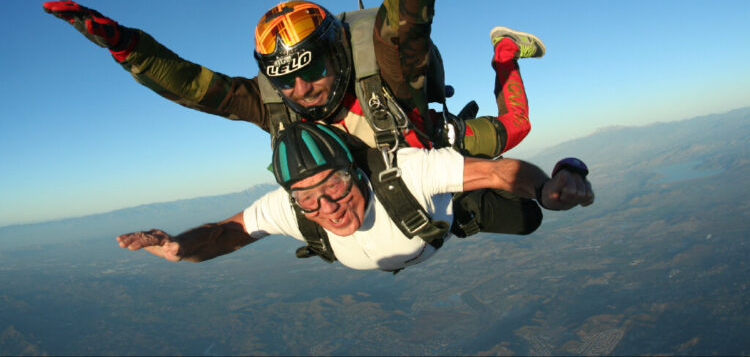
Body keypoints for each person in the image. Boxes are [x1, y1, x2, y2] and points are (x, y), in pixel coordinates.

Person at [44, 0, 545, 235]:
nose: (301, 88)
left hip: (430, 142)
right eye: (285, 78)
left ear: (338, 53)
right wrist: (131, 50)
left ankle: (503, 53)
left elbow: (408, 21)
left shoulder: (387, 67)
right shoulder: (274, 104)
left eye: (313, 69)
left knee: (516, 130)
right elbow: (199, 89)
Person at [117, 121, 594, 273]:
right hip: (423, 236)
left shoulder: (403, 171)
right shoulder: (291, 207)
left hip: (452, 212)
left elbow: (498, 171)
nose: (327, 208)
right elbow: (228, 233)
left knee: (530, 219)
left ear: (356, 174)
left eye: (336, 188)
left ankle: (506, 60)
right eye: (309, 200)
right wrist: (177, 246)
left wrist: (547, 190)